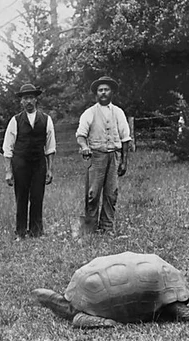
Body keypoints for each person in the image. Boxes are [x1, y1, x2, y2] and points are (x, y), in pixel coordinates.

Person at [76, 76, 131, 235]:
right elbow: (80, 135)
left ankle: (107, 228)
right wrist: (85, 146)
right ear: (96, 94)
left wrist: (124, 162)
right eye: (100, 90)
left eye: (106, 89)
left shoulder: (119, 112)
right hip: (96, 157)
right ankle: (90, 228)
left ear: (112, 92)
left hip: (113, 156)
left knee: (111, 193)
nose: (103, 93)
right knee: (92, 194)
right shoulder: (89, 113)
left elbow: (125, 138)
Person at [2, 83, 56, 239]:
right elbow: (8, 147)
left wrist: (50, 169)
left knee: (37, 197)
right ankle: (20, 232)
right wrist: (8, 171)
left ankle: (36, 231)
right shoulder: (15, 121)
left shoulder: (46, 120)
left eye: (31, 97)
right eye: (25, 98)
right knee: (21, 197)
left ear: (36, 99)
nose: (29, 101)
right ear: (21, 101)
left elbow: (50, 147)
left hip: (39, 164)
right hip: (20, 164)